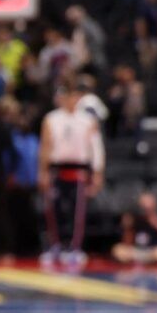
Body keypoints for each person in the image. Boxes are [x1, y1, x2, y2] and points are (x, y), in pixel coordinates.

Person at [38, 82, 104, 266]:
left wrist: (97, 173)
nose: (71, 100)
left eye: (75, 96)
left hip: (78, 169)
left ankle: (74, 248)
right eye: (67, 96)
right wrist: (42, 172)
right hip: (57, 168)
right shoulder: (52, 119)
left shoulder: (88, 120)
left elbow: (96, 148)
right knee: (54, 210)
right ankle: (55, 246)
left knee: (77, 211)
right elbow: (45, 146)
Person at [113, 191, 157, 266]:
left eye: (148, 206)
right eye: (143, 206)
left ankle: (148, 261)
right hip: (135, 251)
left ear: (154, 205)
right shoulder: (133, 218)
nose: (146, 209)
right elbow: (126, 242)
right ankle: (141, 261)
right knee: (118, 250)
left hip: (152, 251)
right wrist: (128, 227)